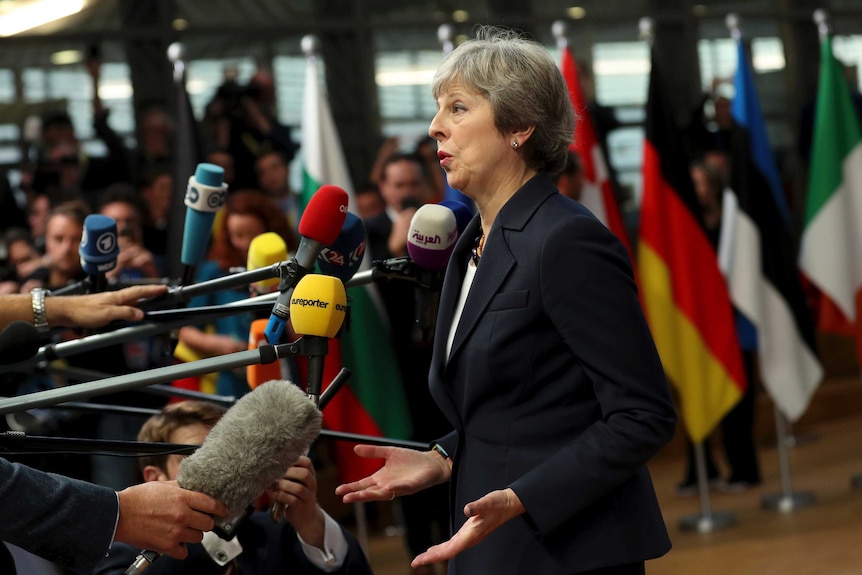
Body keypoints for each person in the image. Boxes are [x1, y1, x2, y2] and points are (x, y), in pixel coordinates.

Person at [336, 27, 677, 574]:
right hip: (493, 549)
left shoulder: (566, 239)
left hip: (567, 551)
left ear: (519, 125)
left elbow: (643, 415)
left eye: (458, 107)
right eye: (437, 109)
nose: (434, 127)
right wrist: (444, 455)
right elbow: (525, 408)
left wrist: (523, 497)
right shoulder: (468, 237)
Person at [0, 284, 229, 575]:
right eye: (193, 457)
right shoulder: (122, 558)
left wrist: (59, 308)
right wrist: (121, 514)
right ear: (153, 477)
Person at [94, 400, 374, 575]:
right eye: (197, 457)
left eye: (228, 453)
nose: (222, 468)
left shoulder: (279, 530)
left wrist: (310, 522)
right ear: (154, 477)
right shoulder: (126, 552)